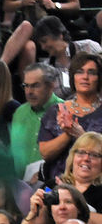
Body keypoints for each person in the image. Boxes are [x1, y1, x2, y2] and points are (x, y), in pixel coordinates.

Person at [39, 52, 102, 180]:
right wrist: (68, 133)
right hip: (58, 183)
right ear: (73, 77)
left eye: (91, 72)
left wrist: (82, 136)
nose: (85, 77)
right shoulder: (55, 110)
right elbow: (45, 153)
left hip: (96, 185)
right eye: (79, 72)